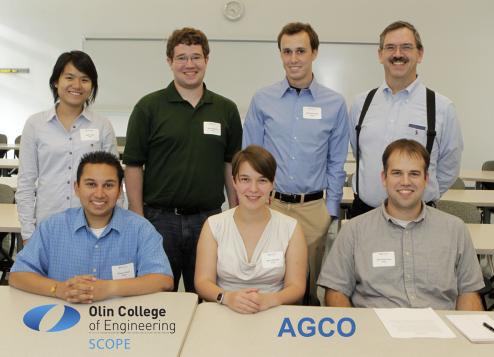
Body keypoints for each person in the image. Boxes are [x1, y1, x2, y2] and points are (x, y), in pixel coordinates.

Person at [122, 27, 242, 293]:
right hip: (159, 220)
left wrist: (235, 212)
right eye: (182, 57)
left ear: (207, 60)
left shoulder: (226, 109)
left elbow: (230, 165)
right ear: (169, 61)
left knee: (206, 297)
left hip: (209, 220)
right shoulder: (148, 107)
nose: (190, 65)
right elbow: (133, 165)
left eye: (196, 57)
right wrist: (138, 217)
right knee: (156, 299)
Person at [243, 22, 349, 304]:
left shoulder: (335, 103)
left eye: (300, 51)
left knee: (308, 289)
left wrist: (330, 210)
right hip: (271, 205)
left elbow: (336, 162)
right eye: (287, 51)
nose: (293, 59)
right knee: (269, 280)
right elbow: (249, 157)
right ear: (280, 54)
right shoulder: (263, 99)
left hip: (313, 209)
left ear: (314, 52)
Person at [318, 139, 484, 310]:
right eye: (397, 173)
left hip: (440, 331)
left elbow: (469, 292)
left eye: (414, 174)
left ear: (426, 179)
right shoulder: (354, 230)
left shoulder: (455, 230)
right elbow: (335, 291)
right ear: (384, 178)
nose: (405, 181)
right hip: (374, 331)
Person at [10, 151, 173, 303]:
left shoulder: (140, 229)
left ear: (119, 191)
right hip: (61, 320)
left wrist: (109, 288)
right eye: (91, 184)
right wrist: (59, 289)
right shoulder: (52, 227)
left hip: (119, 322)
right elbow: (18, 275)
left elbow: (163, 279)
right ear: (77, 188)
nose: (99, 194)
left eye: (108, 185)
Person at [349, 20, 463, 217]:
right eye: (390, 47)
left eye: (406, 47)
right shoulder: (361, 104)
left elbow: (449, 167)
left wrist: (420, 196)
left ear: (420, 53)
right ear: (380, 55)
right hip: (365, 215)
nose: (398, 54)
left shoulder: (442, 108)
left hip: (419, 216)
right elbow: (359, 151)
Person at [16, 50, 118, 244]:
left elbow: (113, 181)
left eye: (85, 79)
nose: (77, 86)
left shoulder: (102, 125)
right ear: (56, 81)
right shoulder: (35, 124)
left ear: (92, 85)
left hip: (94, 226)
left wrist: (113, 228)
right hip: (47, 226)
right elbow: (26, 183)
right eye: (69, 77)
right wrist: (28, 232)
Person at [195, 145, 307, 314]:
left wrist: (271, 300)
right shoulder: (214, 225)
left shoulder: (290, 228)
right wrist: (227, 297)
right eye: (245, 179)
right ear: (234, 182)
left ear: (272, 183)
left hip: (273, 311)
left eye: (262, 180)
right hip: (224, 310)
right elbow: (203, 281)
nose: (253, 189)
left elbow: (296, 286)